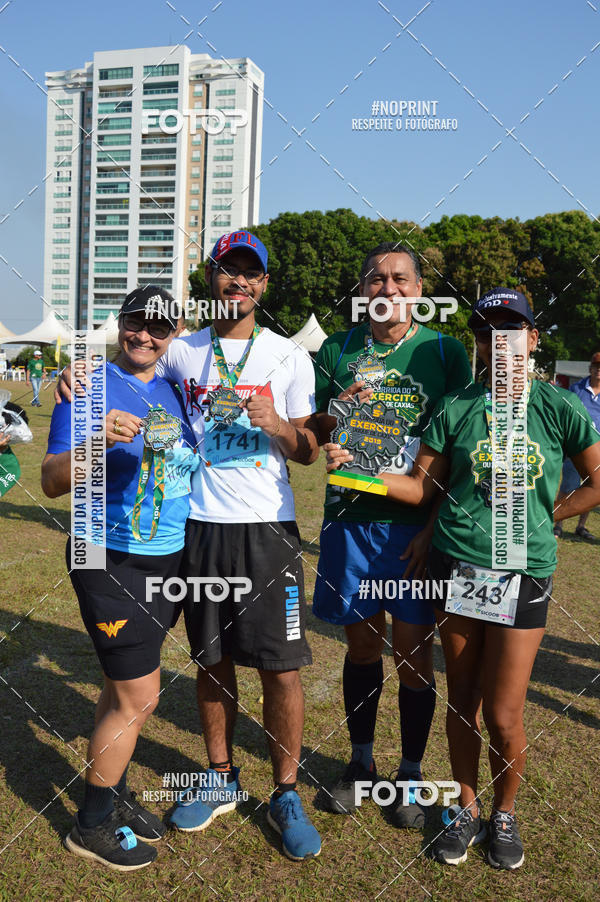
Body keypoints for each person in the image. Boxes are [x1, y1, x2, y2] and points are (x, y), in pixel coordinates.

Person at [326, 287, 600, 869]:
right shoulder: (457, 407)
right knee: (463, 703)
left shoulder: (558, 407)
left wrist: (549, 516)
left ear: (531, 340)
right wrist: (363, 473)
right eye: (485, 333)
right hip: (457, 567)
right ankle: (465, 807)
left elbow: (597, 479)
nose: (496, 342)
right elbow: (422, 488)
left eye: (510, 331)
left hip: (523, 576)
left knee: (504, 714)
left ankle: (504, 812)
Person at [153, 231, 322, 861]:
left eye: (250, 274)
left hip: (267, 530)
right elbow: (128, 371)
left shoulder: (288, 358)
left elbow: (307, 453)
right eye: (228, 271)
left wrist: (279, 425)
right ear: (213, 279)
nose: (239, 283)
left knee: (281, 668)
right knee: (210, 660)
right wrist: (76, 377)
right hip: (198, 526)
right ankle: (220, 778)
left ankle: (285, 792)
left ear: (264, 286)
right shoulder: (183, 350)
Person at [312, 242, 472, 827]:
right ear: (362, 292)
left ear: (419, 290)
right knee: (361, 646)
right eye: (376, 280)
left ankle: (408, 771)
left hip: (411, 529)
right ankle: (360, 765)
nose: (388, 289)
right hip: (349, 522)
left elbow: (460, 448)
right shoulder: (337, 347)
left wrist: (432, 528)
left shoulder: (445, 351)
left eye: (400, 279)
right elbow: (313, 426)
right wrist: (333, 414)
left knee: (411, 652)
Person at [43, 286, 198, 871]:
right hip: (104, 554)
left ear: (174, 332)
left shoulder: (176, 388)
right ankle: (91, 823)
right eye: (136, 322)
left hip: (166, 557)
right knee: (139, 695)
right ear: (122, 322)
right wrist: (96, 440)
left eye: (159, 328)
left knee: (121, 688)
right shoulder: (86, 385)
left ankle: (116, 793)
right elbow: (54, 480)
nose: (145, 336)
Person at [554, 350, 600, 540]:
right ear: (590, 368)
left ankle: (581, 526)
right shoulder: (576, 389)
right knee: (568, 485)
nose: (599, 371)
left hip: (598, 449)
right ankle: (558, 525)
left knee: (592, 488)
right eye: (596, 367)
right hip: (576, 447)